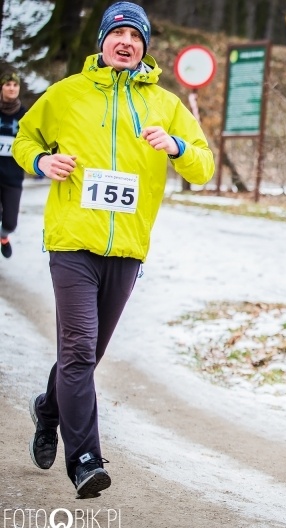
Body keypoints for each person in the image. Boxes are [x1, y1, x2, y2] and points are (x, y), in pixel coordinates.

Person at [12, 1, 215, 498]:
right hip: (72, 243)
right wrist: (42, 162)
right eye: (117, 32)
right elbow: (23, 138)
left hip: (127, 247)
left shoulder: (165, 105)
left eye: (135, 35)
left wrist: (177, 148)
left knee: (88, 354)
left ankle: (48, 408)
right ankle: (84, 459)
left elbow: (204, 167)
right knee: (79, 348)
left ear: (145, 46)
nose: (126, 41)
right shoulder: (65, 95)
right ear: (102, 42)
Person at [0, 71, 27, 258]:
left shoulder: (25, 115)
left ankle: (3, 237)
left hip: (13, 176)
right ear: (2, 87)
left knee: (10, 223)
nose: (11, 88)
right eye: (8, 84)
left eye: (15, 85)